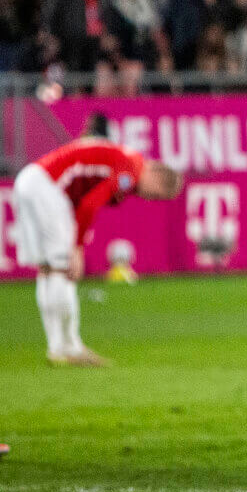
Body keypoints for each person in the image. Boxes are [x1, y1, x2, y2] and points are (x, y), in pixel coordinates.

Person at [13, 138, 183, 366]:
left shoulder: (127, 161)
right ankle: (68, 347)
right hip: (47, 187)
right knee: (63, 269)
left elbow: (82, 191)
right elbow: (90, 204)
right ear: (156, 177)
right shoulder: (131, 171)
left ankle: (59, 348)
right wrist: (77, 248)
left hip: (31, 180)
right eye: (155, 194)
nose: (148, 198)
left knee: (48, 269)